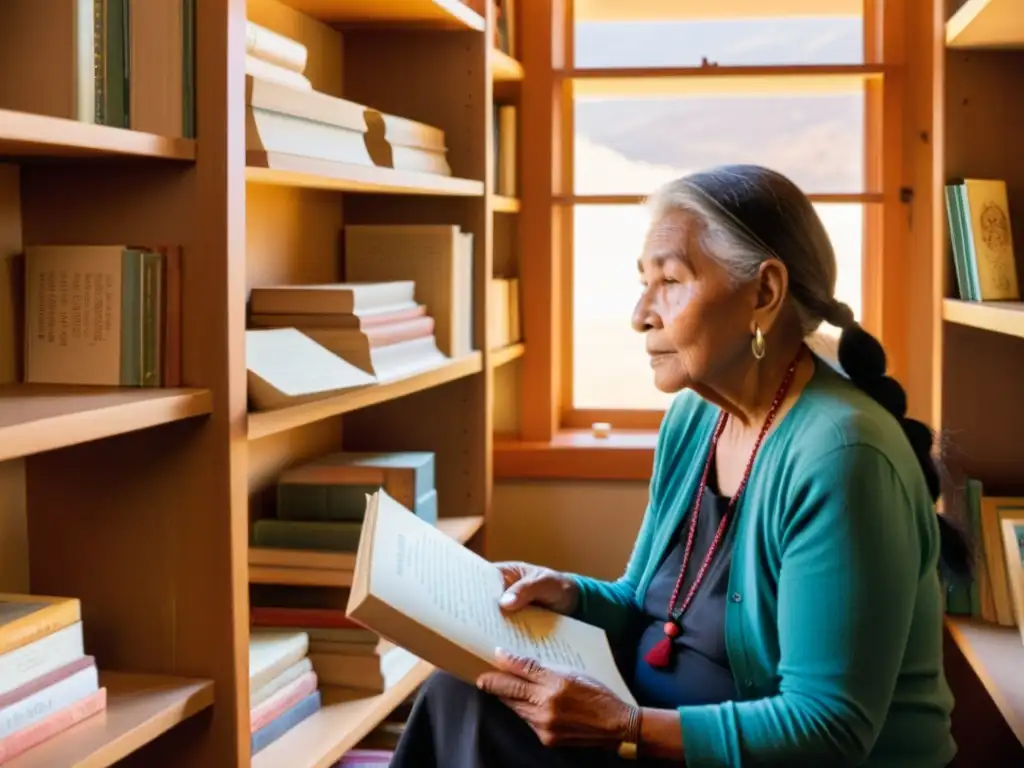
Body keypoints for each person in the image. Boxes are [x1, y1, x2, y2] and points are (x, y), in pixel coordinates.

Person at [390, 164, 969, 767]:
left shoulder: (843, 458)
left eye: (669, 280)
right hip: (656, 735)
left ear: (764, 294)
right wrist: (572, 597)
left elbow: (830, 731)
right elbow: (646, 603)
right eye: (643, 283)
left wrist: (627, 726)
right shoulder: (696, 418)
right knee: (463, 691)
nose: (641, 314)